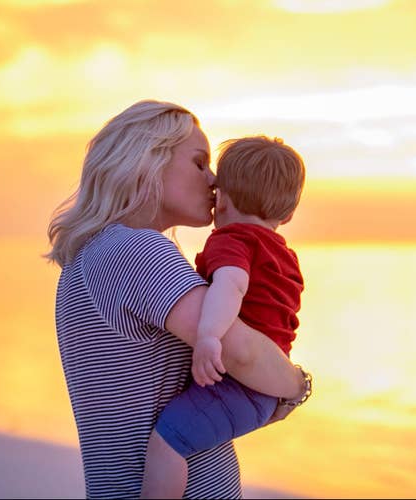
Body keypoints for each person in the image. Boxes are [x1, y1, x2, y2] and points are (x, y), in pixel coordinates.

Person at [45, 99, 312, 499]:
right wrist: (296, 386)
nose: (214, 180)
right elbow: (240, 354)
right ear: (147, 161)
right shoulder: (134, 250)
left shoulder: (96, 253)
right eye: (199, 162)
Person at [141, 136, 309, 498]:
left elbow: (231, 285)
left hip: (238, 387)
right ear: (288, 214)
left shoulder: (232, 240)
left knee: (166, 444)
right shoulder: (285, 257)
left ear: (222, 200)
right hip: (263, 391)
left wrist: (209, 337)